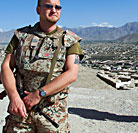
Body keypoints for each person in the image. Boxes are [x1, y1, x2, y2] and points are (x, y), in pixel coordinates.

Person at [1, 0, 84, 132]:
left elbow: (71, 74)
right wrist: (14, 97)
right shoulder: (21, 36)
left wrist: (39, 94)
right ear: (38, 10)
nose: (54, 10)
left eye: (58, 7)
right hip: (21, 110)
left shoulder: (69, 40)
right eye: (49, 6)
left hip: (52, 113)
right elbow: (6, 67)